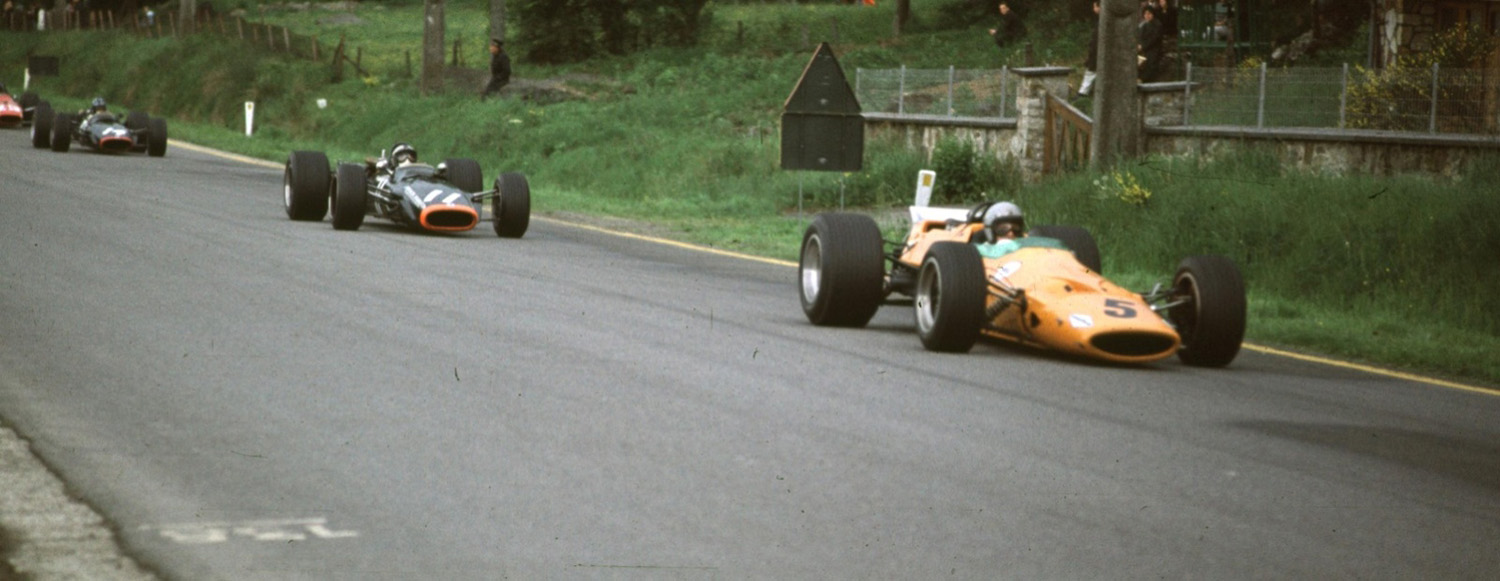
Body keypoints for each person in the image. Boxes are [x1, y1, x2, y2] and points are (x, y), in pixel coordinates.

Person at [1078, 1, 1100, 98]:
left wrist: (1091, 53)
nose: (1093, 9)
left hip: (1096, 52)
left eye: (1095, 7)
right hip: (1095, 51)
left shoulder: (1102, 22)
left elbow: (1096, 40)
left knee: (1090, 72)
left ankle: (1083, 93)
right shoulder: (1099, 21)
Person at [1137, 4, 1163, 82]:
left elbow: (1154, 39)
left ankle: (1143, 79)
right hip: (1143, 48)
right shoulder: (1143, 24)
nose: (1147, 16)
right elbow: (1139, 36)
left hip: (1153, 48)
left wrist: (1143, 46)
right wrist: (1139, 45)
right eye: (1145, 14)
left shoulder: (1158, 25)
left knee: (1150, 61)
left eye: (1149, 14)